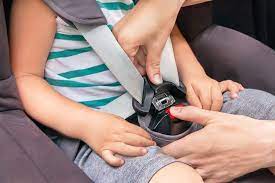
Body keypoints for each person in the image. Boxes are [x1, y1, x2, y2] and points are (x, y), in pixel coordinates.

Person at [10, 0, 244, 182]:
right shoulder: (40, 5)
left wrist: (196, 76)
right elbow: (26, 78)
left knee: (259, 109)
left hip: (169, 102)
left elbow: (168, 31)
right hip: (98, 132)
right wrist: (87, 125)